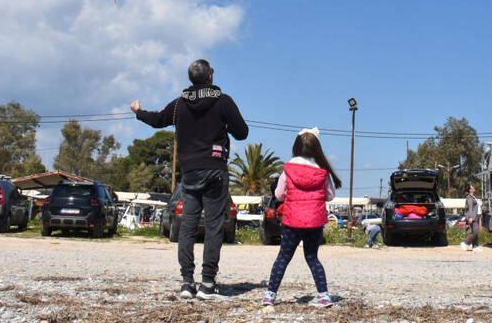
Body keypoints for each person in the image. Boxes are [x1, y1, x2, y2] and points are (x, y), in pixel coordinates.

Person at [130, 59, 248, 300]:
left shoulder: (178, 105)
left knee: (187, 228)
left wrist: (138, 112)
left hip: (190, 173)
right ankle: (207, 284)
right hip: (215, 169)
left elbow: (157, 120)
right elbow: (243, 132)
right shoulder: (223, 101)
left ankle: (186, 283)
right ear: (210, 78)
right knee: (214, 227)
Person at [261, 128, 340, 308]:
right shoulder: (322, 172)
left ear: (295, 148)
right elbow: (330, 196)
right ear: (316, 150)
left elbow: (279, 195)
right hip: (314, 221)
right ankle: (324, 295)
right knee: (312, 257)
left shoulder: (287, 170)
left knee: (283, 257)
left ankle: (270, 295)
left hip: (292, 220)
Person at [460, 183, 482, 252]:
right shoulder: (469, 198)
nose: (474, 188)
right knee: (475, 232)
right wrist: (471, 217)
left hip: (476, 216)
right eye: (472, 187)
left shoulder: (473, 197)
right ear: (470, 190)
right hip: (473, 217)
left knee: (475, 231)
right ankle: (465, 243)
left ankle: (475, 247)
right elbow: (470, 208)